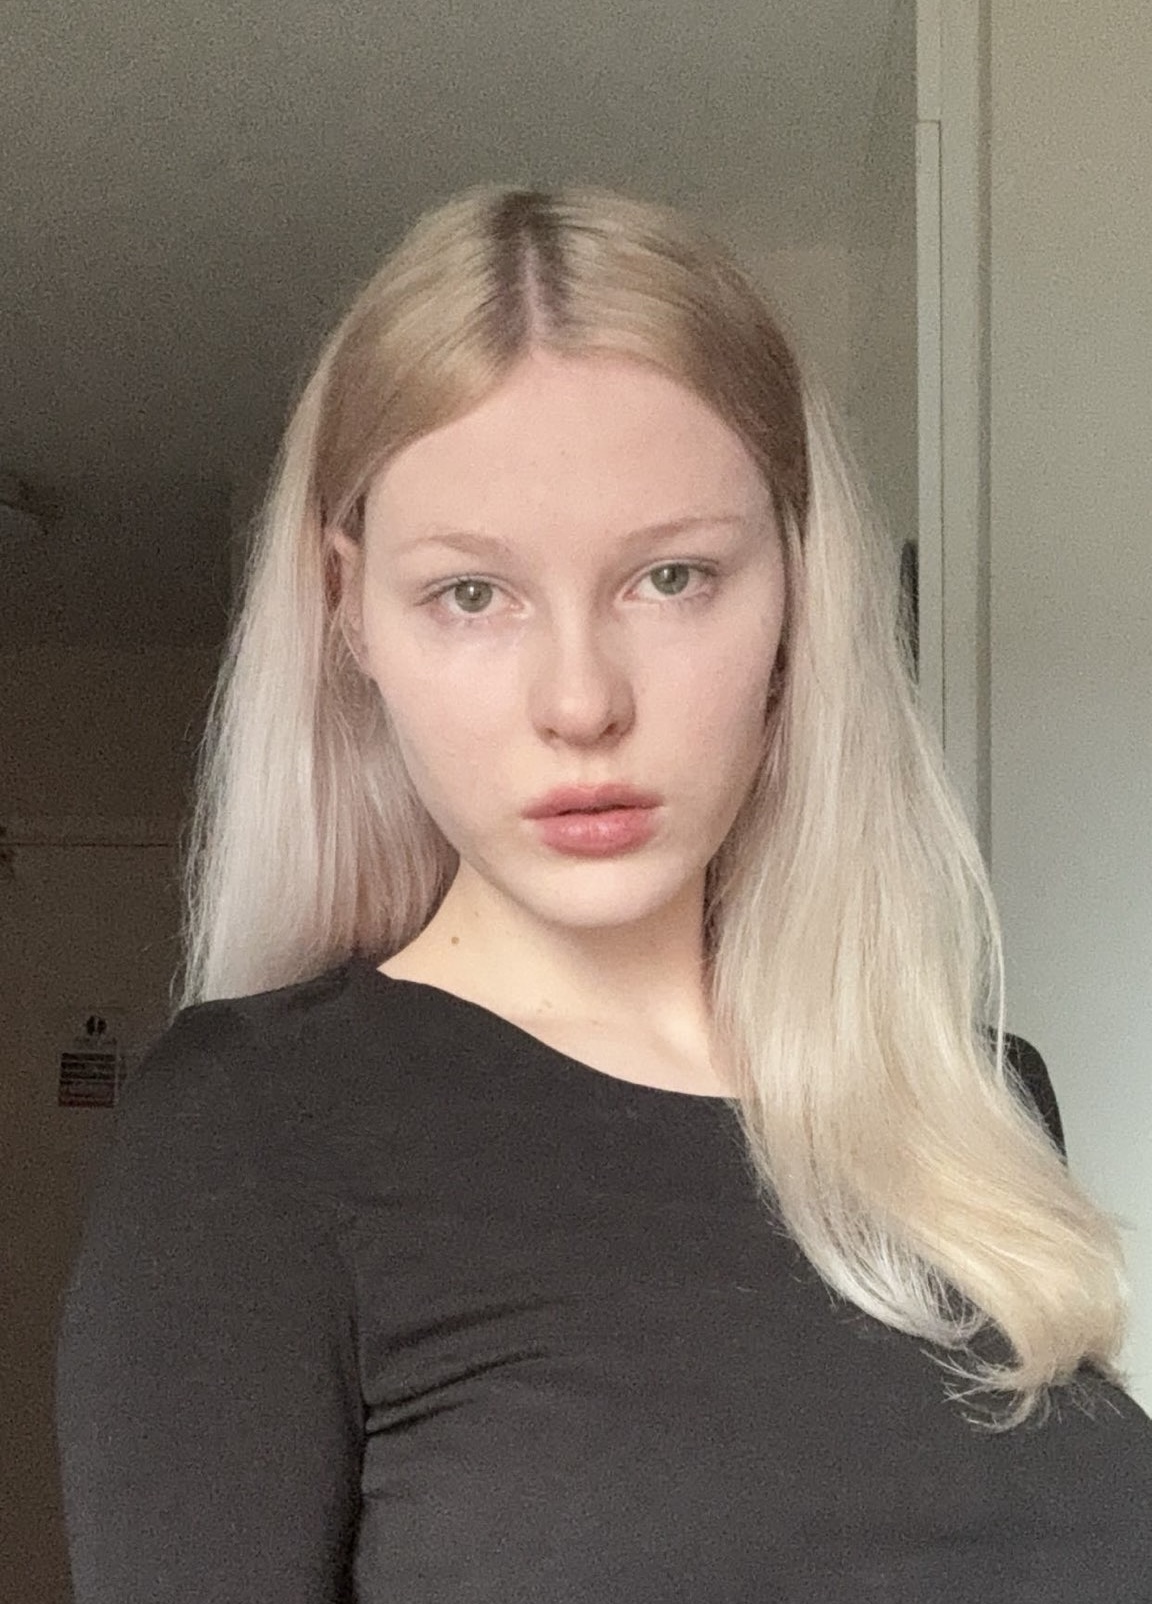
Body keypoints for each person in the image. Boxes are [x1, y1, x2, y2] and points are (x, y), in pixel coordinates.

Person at [55, 185, 1152, 1602]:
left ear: (797, 588)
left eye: (672, 576)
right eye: (472, 594)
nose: (580, 702)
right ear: (349, 611)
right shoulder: (254, 1133)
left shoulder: (970, 1100)